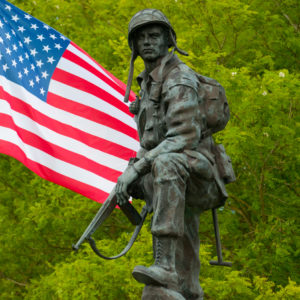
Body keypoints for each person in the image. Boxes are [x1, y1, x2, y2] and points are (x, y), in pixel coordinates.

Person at [115, 9, 233, 300]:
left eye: (154, 36)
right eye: (140, 38)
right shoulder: (148, 83)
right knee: (186, 243)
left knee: (166, 164)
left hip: (197, 172)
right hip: (175, 173)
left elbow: (183, 136)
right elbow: (150, 139)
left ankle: (165, 265)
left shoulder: (178, 78)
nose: (147, 42)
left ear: (168, 40)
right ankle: (187, 287)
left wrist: (139, 167)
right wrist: (131, 174)